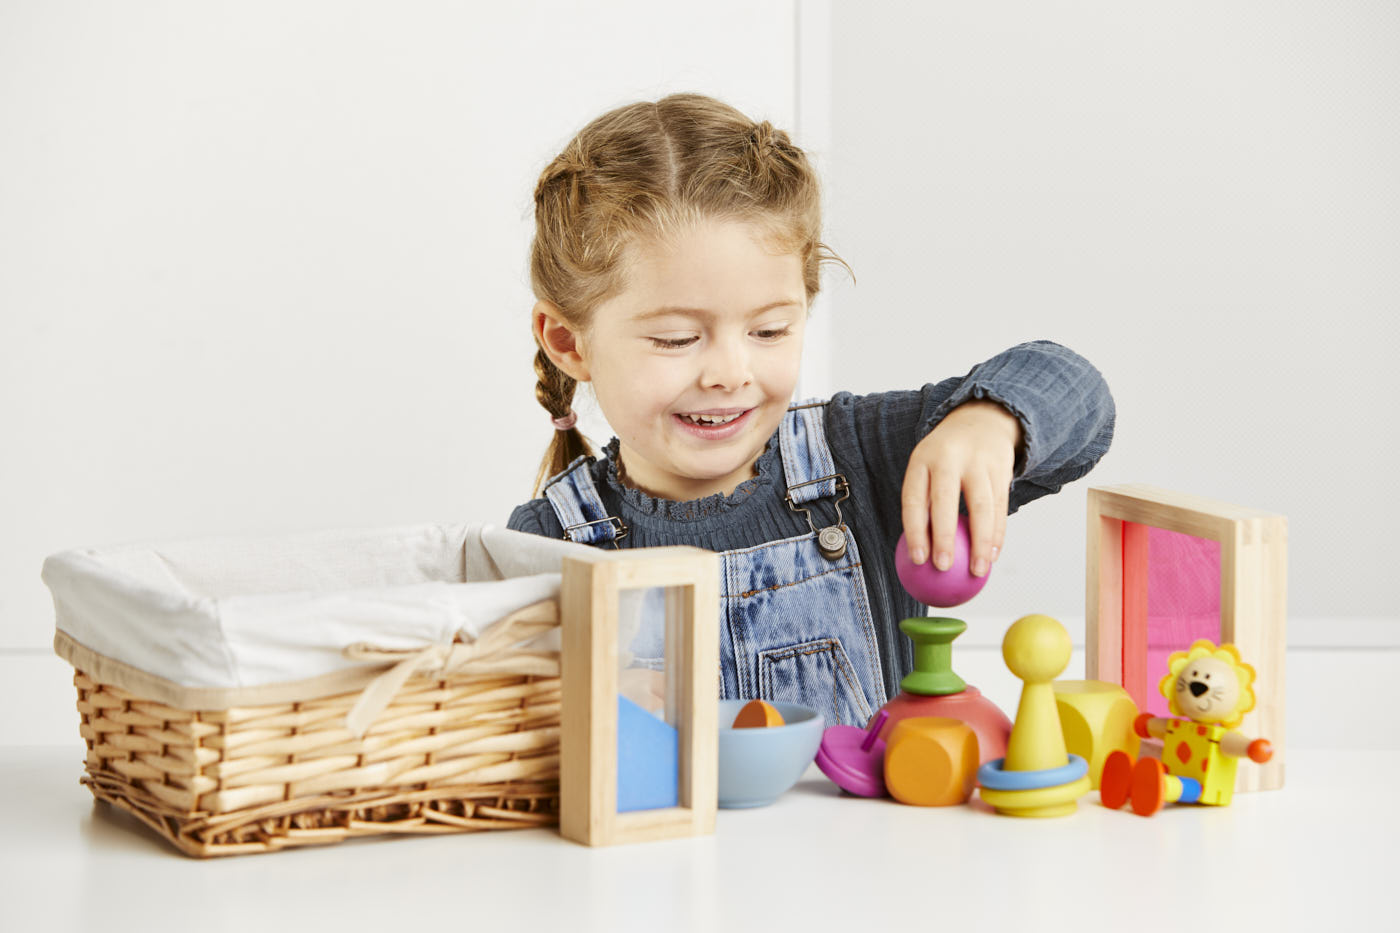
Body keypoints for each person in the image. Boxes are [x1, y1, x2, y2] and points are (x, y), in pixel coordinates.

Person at [507, 93, 1114, 726]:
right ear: (569, 342)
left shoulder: (866, 460)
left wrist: (990, 420)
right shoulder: (544, 545)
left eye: (768, 331)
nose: (728, 374)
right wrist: (574, 709)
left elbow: (1076, 388)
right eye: (677, 340)